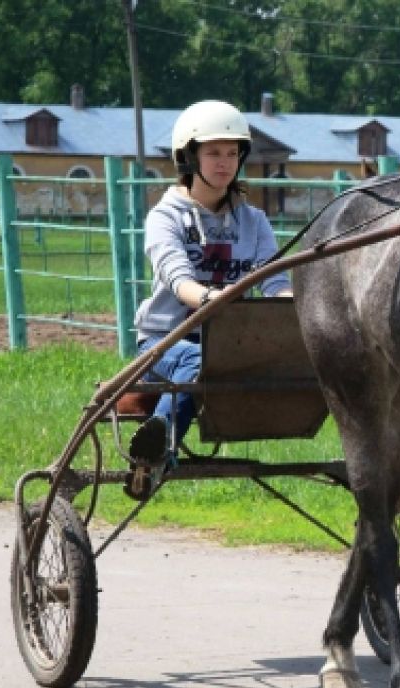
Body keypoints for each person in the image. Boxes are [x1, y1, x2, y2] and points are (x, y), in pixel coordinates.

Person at [127, 100, 291, 498]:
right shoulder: (165, 217)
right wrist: (212, 299)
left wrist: (294, 306)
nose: (225, 163)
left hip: (231, 343)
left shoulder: (254, 221)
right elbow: (177, 278)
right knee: (198, 361)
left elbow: (275, 281)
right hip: (164, 341)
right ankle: (153, 456)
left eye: (233, 153)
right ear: (189, 157)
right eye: (214, 152)